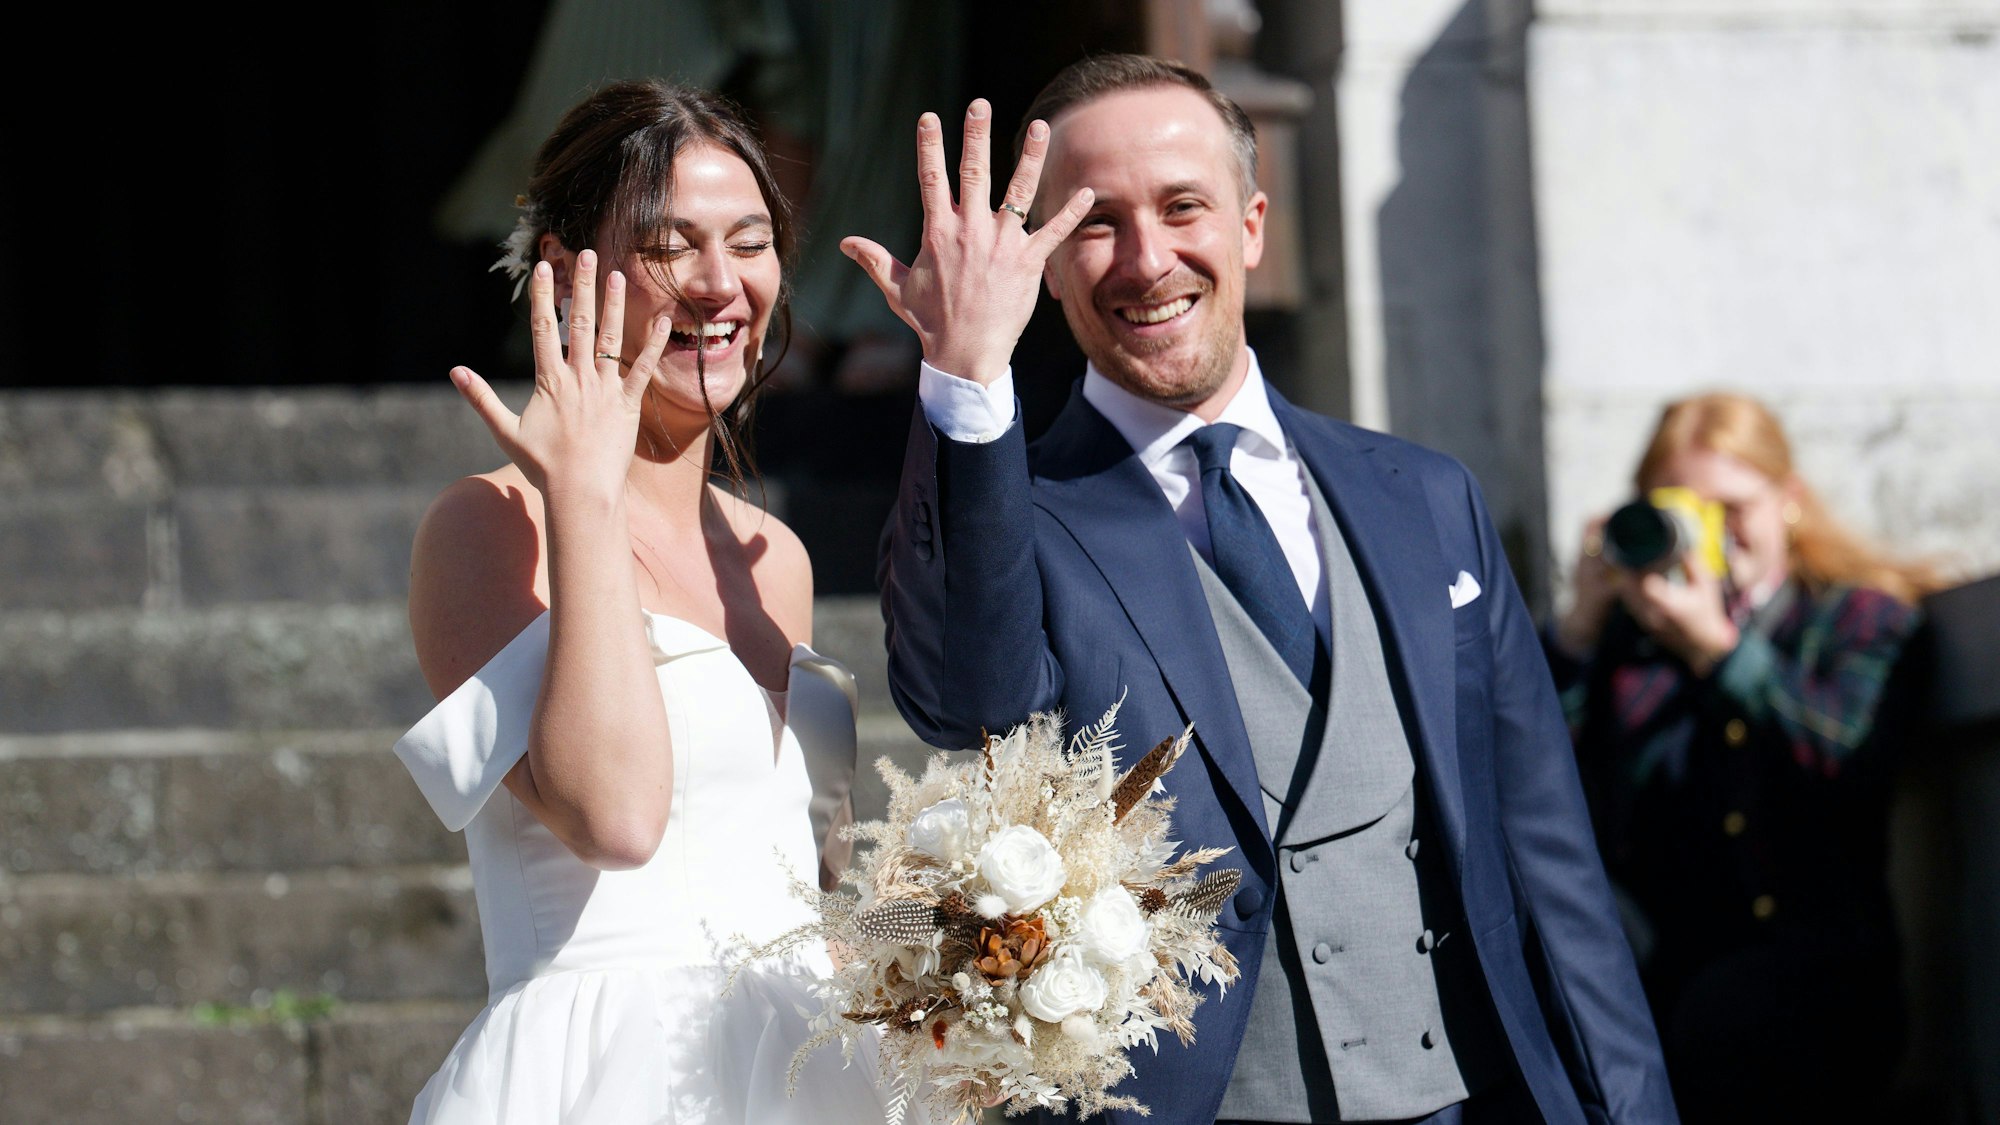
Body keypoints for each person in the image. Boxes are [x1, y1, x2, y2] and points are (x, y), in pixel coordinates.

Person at [846, 54, 1677, 1124]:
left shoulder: (1425, 496)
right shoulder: (1021, 515)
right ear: (1044, 268)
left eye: (1183, 207)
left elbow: (1546, 852)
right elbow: (966, 698)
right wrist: (965, 378)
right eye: (1095, 223)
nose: (1146, 262)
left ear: (1249, 226)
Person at [390, 78, 903, 1123]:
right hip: (607, 1072)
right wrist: (582, 498)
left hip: (811, 1075)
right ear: (565, 279)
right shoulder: (490, 529)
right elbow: (615, 818)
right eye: (672, 247)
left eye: (750, 242)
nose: (721, 286)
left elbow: (805, 883)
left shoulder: (775, 555)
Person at [1546, 392, 1944, 1124]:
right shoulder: (1626, 649)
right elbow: (1533, 789)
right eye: (1682, 510)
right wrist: (1578, 629)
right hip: (1656, 982)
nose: (1713, 533)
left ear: (1788, 501)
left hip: (1817, 989)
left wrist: (1721, 652)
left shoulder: (1857, 619)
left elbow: (1844, 761)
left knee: (1718, 1024)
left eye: (1732, 506)